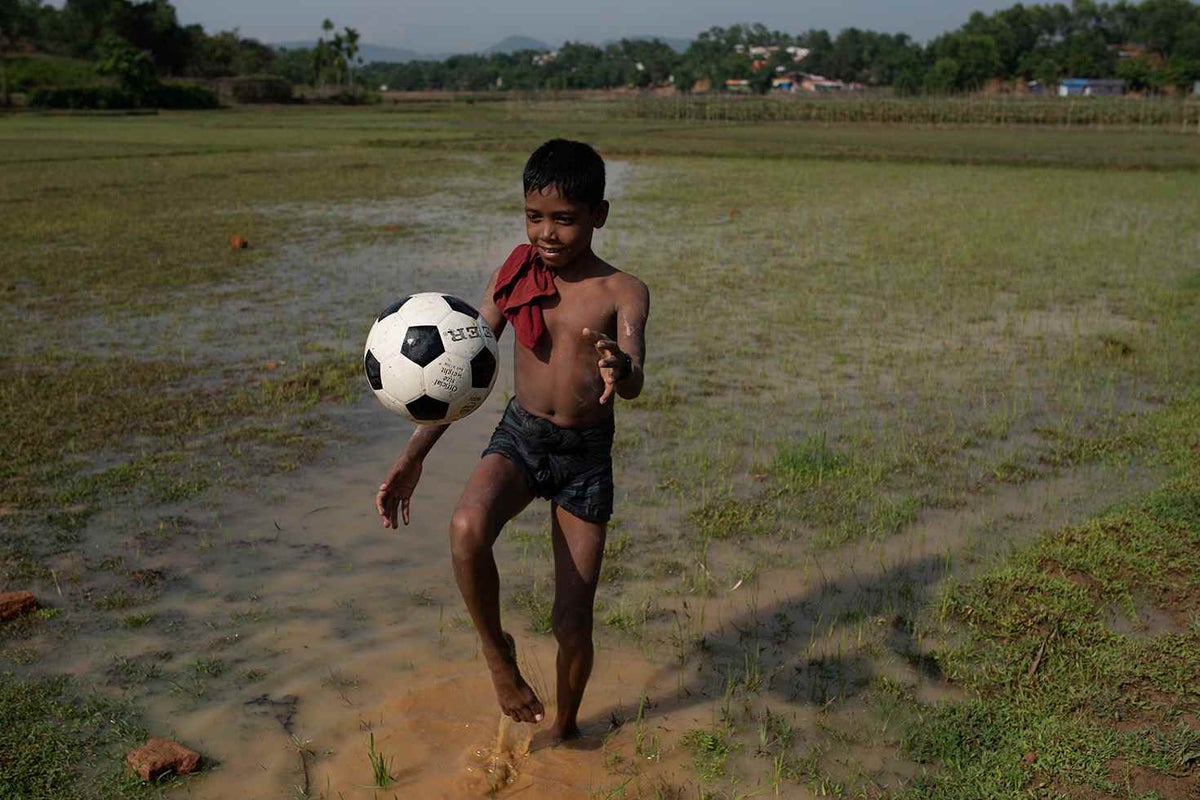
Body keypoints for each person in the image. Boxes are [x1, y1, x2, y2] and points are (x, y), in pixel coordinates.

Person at [376, 139, 650, 743]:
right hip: (522, 436)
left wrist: (620, 370)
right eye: (534, 216)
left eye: (565, 219)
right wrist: (410, 459)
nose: (546, 234)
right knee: (465, 529)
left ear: (598, 215)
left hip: (584, 457)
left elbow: (633, 373)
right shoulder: (516, 273)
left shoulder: (624, 291)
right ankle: (497, 654)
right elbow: (456, 369)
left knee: (572, 620)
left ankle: (566, 728)